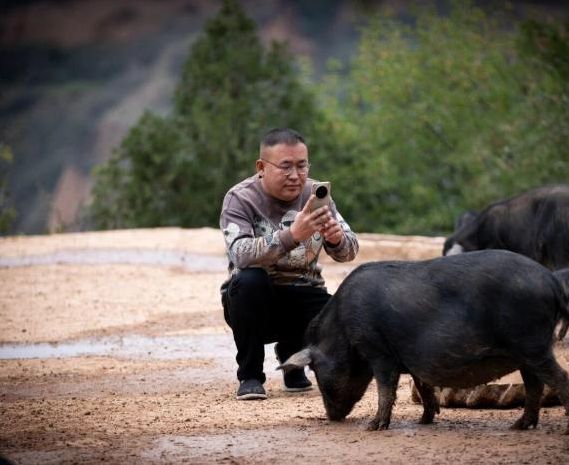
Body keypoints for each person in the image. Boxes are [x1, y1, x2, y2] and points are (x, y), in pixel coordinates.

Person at [220, 127, 359, 400]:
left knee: (339, 310)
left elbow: (350, 252)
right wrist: (292, 235)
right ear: (261, 167)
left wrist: (336, 239)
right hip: (253, 302)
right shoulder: (240, 198)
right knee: (250, 281)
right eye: (285, 167)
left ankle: (293, 360)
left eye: (302, 165)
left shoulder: (316, 195)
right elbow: (240, 254)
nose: (295, 175)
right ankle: (250, 375)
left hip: (303, 293)